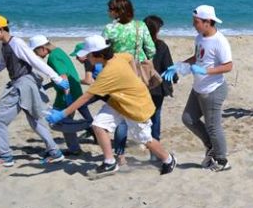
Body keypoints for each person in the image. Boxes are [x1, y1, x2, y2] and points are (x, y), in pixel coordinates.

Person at [46, 35, 176, 176]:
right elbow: (129, 57)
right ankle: (109, 162)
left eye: (88, 55)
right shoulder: (117, 57)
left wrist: (62, 114)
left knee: (144, 139)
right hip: (119, 102)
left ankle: (168, 159)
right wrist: (135, 76)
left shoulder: (108, 73)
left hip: (135, 106)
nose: (87, 58)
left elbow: (86, 97)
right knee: (99, 125)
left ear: (99, 55)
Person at [0, 15, 70, 167]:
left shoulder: (17, 43)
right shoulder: (4, 45)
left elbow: (35, 61)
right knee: (35, 120)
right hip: (23, 84)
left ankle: (5, 156)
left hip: (23, 85)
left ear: (0, 29)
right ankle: (55, 153)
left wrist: (57, 79)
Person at [163, 5, 233, 171]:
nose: (194, 25)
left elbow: (228, 66)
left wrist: (205, 71)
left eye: (197, 22)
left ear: (208, 22)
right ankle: (211, 147)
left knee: (213, 127)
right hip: (198, 89)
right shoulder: (199, 38)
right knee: (188, 119)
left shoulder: (220, 41)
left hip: (213, 90)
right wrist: (179, 66)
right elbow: (197, 57)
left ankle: (222, 160)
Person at [102, 0, 156, 164]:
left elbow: (103, 53)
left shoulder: (109, 29)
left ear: (118, 11)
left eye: (110, 8)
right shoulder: (140, 26)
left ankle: (120, 155)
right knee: (137, 114)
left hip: (117, 75)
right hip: (137, 76)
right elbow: (151, 50)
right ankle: (152, 148)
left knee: (121, 114)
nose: (108, 12)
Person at [30, 35, 93, 156]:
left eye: (35, 51)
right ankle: (74, 149)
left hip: (67, 94)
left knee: (57, 123)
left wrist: (68, 98)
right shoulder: (59, 52)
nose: (36, 55)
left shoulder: (54, 57)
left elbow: (63, 77)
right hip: (72, 91)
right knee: (65, 123)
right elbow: (59, 78)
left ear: (42, 48)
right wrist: (46, 87)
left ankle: (89, 125)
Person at [144, 15, 176, 148]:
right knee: (155, 116)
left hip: (141, 85)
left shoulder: (138, 46)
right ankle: (154, 146)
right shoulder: (161, 45)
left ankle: (142, 142)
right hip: (157, 87)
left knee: (139, 117)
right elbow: (169, 66)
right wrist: (175, 79)